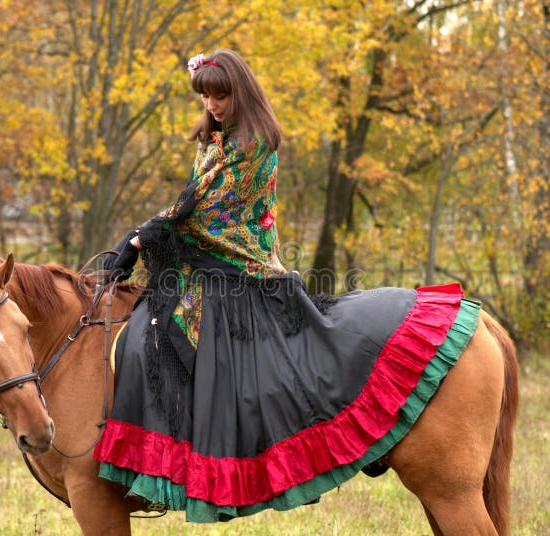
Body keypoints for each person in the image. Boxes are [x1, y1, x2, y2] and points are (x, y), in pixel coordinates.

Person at [94, 48, 480, 522]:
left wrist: (142, 236)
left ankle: (219, 458)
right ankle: (163, 464)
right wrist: (147, 231)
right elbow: (191, 200)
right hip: (207, 264)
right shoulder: (213, 141)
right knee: (150, 334)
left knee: (205, 353)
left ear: (241, 91)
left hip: (242, 266)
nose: (213, 105)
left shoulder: (255, 144)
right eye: (207, 96)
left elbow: (215, 214)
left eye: (221, 94)